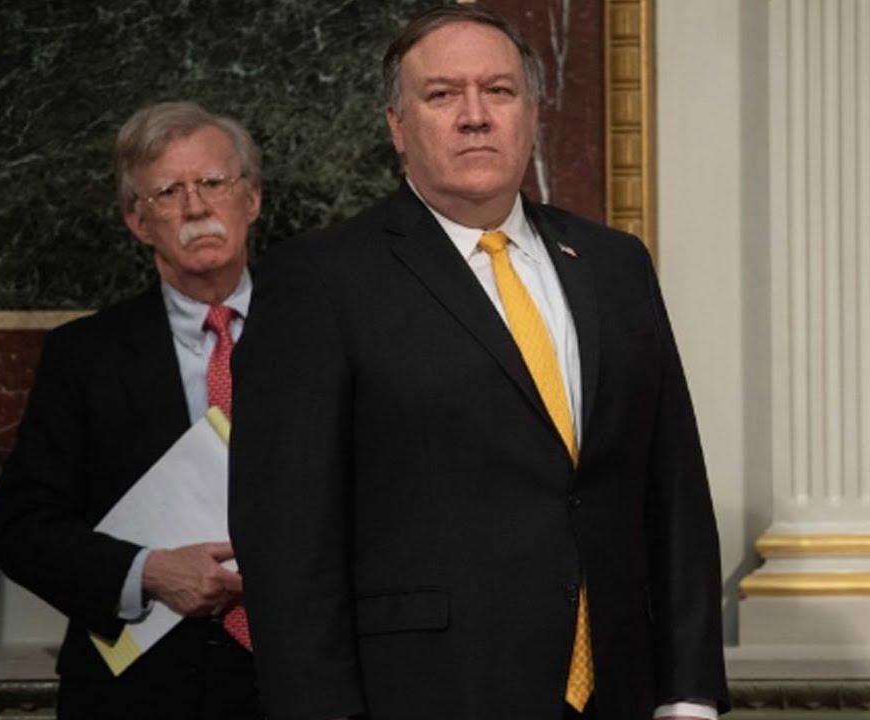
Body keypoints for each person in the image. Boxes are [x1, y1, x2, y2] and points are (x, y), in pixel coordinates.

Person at [229, 4, 728, 720]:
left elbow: (672, 485)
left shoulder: (614, 264)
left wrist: (689, 691)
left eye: (498, 91)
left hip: (620, 691)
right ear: (397, 125)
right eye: (442, 95)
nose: (475, 116)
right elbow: (286, 541)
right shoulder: (319, 280)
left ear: (532, 112)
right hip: (427, 694)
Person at [0, 101, 263, 720]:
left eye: (213, 182)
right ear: (138, 222)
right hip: (141, 693)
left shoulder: (324, 332)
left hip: (298, 682)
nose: (195, 207)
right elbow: (21, 527)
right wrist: (147, 571)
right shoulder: (83, 356)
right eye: (169, 192)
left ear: (251, 199)